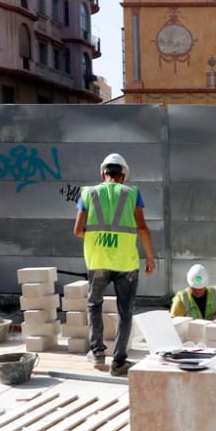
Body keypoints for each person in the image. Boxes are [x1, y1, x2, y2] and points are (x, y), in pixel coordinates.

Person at [73, 153, 156, 376]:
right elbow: (142, 228)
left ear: (103, 173)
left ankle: (98, 352)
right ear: (123, 176)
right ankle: (118, 362)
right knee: (125, 311)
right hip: (126, 263)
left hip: (98, 260)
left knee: (94, 305)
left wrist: (98, 238)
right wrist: (149, 257)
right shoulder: (133, 194)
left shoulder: (88, 193)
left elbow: (78, 230)